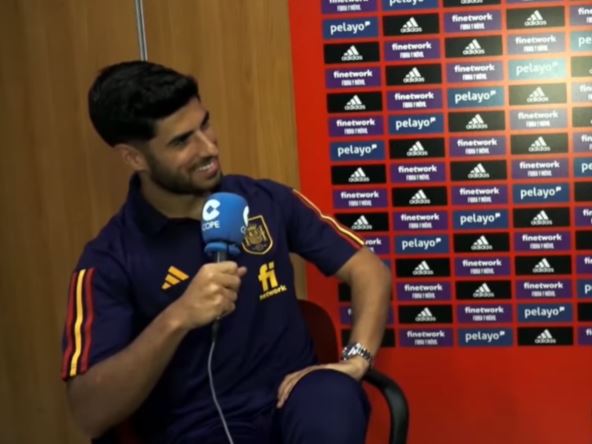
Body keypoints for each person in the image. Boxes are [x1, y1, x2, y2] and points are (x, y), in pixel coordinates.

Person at [61, 60, 391, 444]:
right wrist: (177, 318)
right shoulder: (108, 260)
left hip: (296, 401)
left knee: (333, 398)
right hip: (200, 426)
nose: (209, 147)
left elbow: (368, 270)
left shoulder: (266, 200)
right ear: (134, 158)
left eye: (205, 124)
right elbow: (89, 413)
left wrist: (356, 359)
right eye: (182, 141)